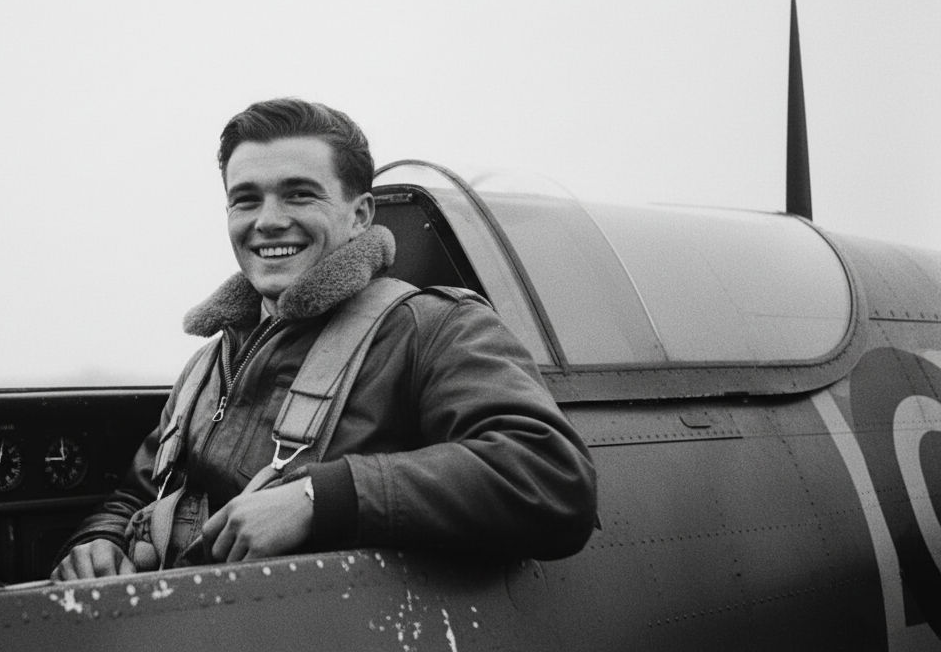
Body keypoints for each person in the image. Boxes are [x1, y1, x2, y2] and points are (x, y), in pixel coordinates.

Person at [51, 98, 597, 579]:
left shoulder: (431, 329)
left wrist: (319, 499)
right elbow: (138, 495)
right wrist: (96, 541)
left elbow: (550, 477)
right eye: (246, 199)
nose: (268, 221)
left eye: (299, 195)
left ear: (360, 215)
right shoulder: (207, 364)